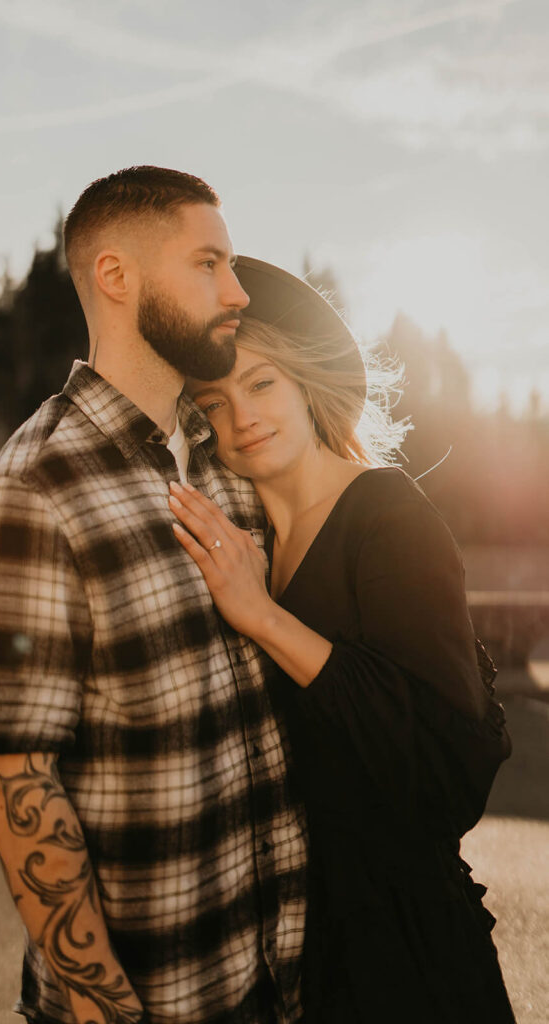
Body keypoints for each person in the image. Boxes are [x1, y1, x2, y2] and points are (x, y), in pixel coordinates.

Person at [0, 173, 308, 1024]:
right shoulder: (33, 491)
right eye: (209, 263)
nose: (238, 291)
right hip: (152, 1002)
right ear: (117, 277)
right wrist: (103, 1009)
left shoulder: (225, 461)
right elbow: (15, 777)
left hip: (276, 981)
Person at [169, 256, 516, 1023]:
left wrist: (263, 617)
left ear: (303, 381)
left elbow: (445, 772)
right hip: (281, 944)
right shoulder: (241, 535)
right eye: (213, 404)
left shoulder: (389, 516)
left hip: (401, 948)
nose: (240, 419)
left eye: (260, 385)